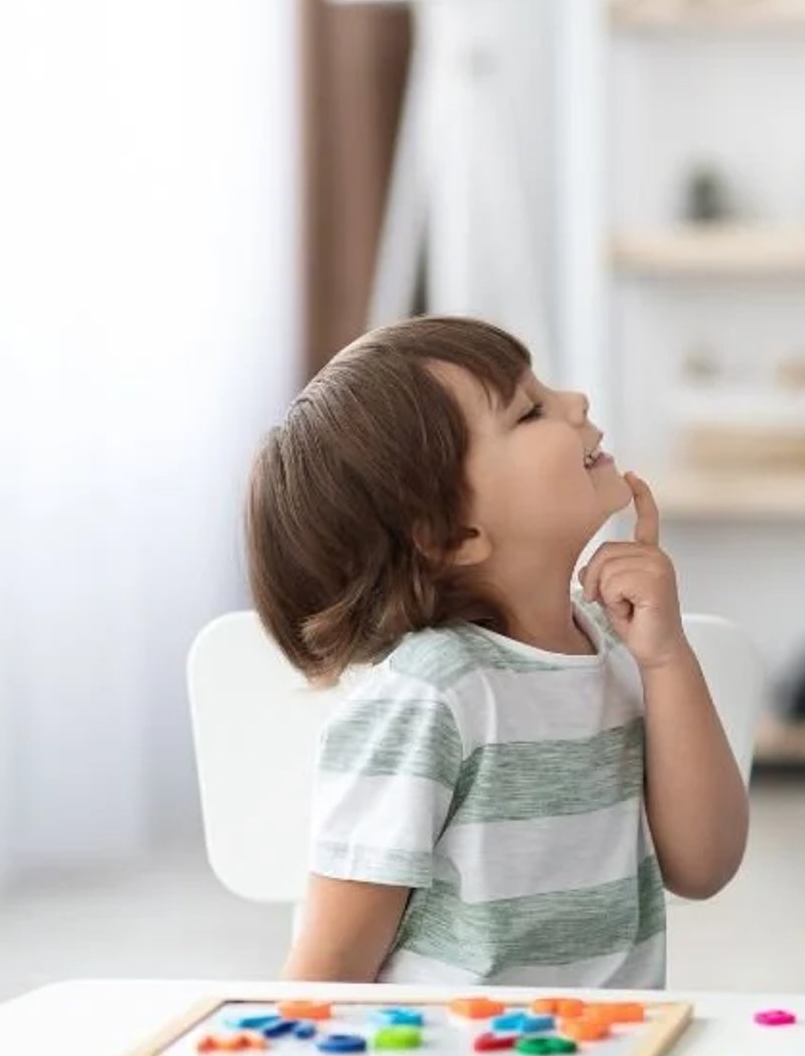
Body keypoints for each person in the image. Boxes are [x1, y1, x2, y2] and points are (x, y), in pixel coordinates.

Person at [246, 315, 748, 985]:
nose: (576, 403)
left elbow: (704, 865)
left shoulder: (616, 649)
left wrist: (664, 658)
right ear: (454, 534)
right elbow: (329, 969)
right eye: (530, 410)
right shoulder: (431, 695)